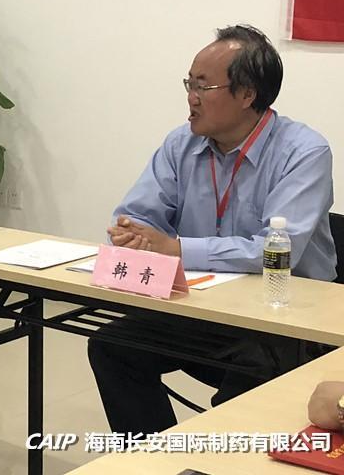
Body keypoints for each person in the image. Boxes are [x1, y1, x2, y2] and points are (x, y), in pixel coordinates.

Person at [88, 24, 335, 439]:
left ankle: (217, 461)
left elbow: (275, 251)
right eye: (189, 83)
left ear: (247, 94)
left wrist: (176, 248)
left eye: (204, 86)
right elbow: (136, 214)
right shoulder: (180, 144)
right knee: (113, 346)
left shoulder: (304, 152)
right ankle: (157, 461)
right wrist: (135, 235)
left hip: (283, 321)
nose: (191, 97)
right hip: (204, 306)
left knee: (247, 386)